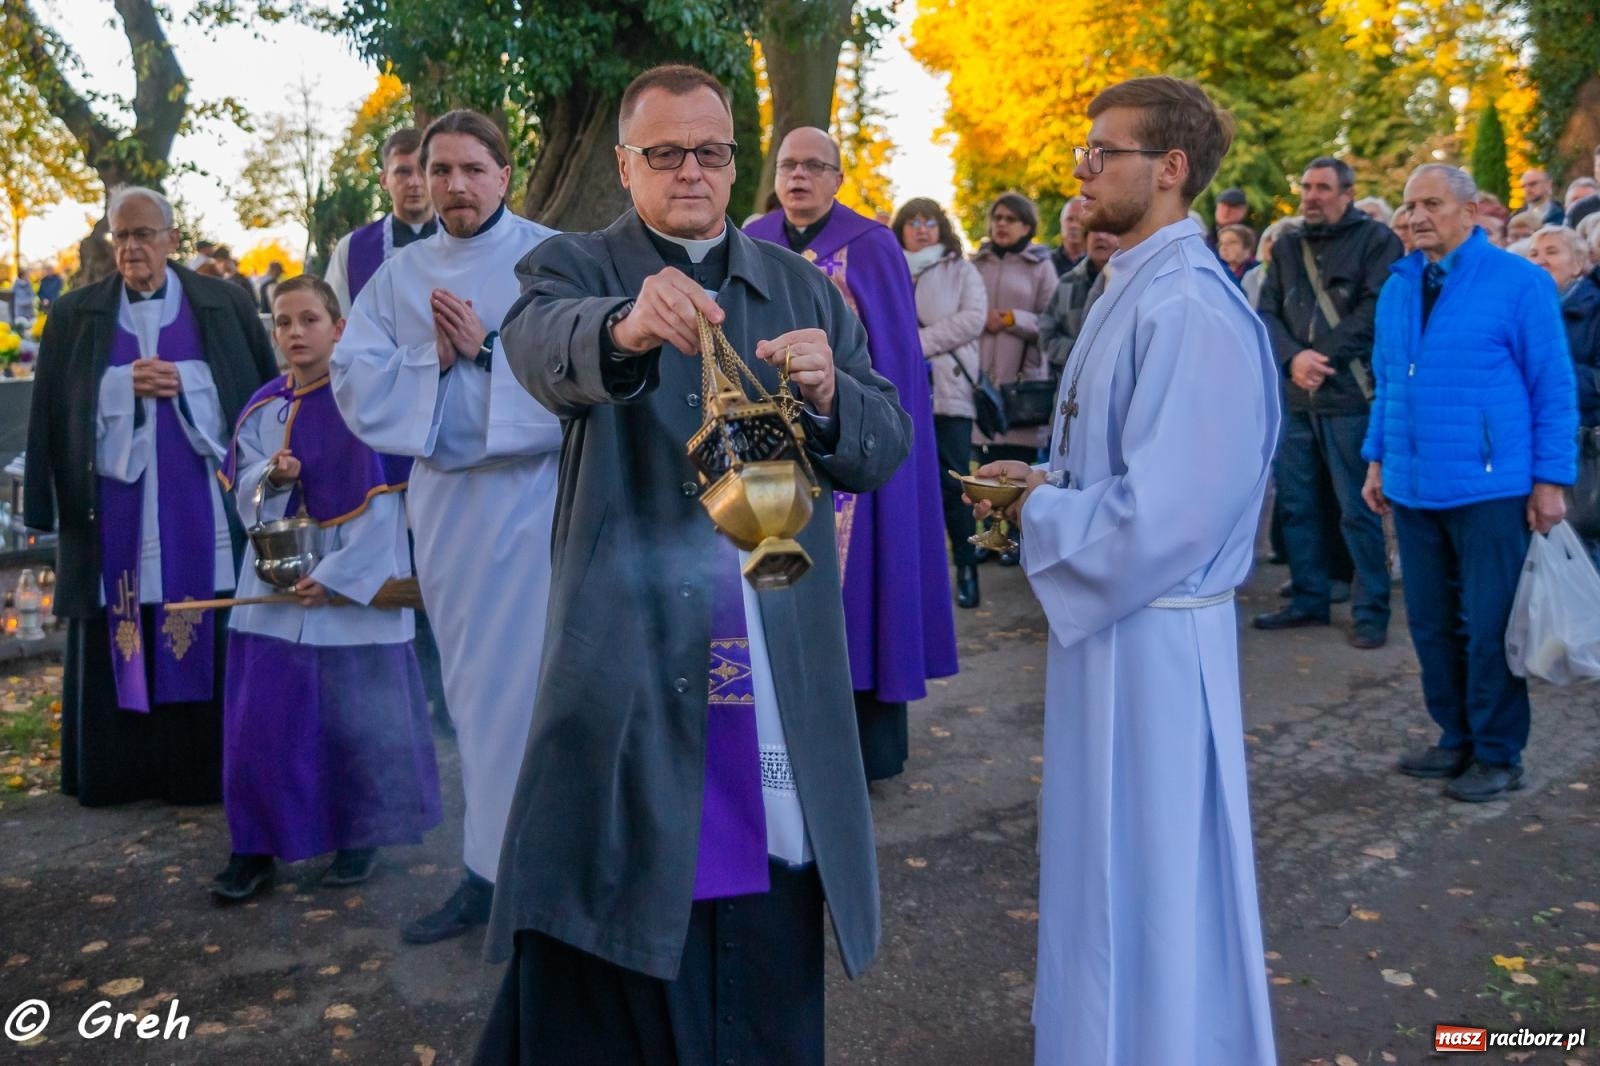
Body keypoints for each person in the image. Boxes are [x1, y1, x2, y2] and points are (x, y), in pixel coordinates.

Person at [480, 64, 911, 1065]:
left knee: (765, 907)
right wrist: (626, 326)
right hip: (631, 650)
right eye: (664, 153)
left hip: (774, 638)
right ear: (625, 164)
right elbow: (539, 347)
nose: (689, 171)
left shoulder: (801, 284)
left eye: (709, 153)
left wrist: (832, 397)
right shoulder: (574, 266)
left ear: (735, 165)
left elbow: (884, 441)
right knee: (620, 899)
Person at [971, 75, 1277, 1065]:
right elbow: (1133, 462)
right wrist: (1048, 475)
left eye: (1104, 151)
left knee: (1151, 870)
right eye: (1084, 150)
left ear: (1171, 170)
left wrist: (1040, 510)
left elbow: (1173, 509)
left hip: (1157, 638)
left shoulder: (1187, 304)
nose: (1082, 167)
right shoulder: (1131, 282)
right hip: (1118, 628)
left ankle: (1164, 1043)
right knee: (1101, 863)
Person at [330, 110, 560, 943]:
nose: (455, 185)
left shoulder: (551, 258)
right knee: (466, 693)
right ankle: (484, 870)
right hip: (449, 505)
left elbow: (588, 376)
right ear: (418, 179)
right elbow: (352, 378)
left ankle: (534, 877)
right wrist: (436, 355)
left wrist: (493, 347)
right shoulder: (397, 275)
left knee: (530, 692)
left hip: (535, 501)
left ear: (504, 174)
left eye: (472, 168)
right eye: (440, 170)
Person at [25, 186, 278, 807]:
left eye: (144, 235)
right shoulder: (78, 313)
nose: (132, 248)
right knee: (125, 617)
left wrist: (189, 382)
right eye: (121, 236)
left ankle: (204, 770)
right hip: (117, 511)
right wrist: (119, 388)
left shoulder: (221, 303)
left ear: (172, 238)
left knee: (207, 613)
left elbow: (257, 394)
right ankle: (120, 774)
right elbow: (55, 409)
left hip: (200, 500)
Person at [211, 275, 440, 901]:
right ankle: (253, 849)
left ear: (338, 329)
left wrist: (337, 582)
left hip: (352, 595)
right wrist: (272, 477)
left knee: (353, 726)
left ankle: (358, 839)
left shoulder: (364, 404)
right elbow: (247, 504)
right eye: (283, 323)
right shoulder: (263, 408)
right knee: (263, 724)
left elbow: (384, 511)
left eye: (309, 320)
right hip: (274, 596)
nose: (295, 334)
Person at [747, 127, 957, 783]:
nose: (800, 176)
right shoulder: (751, 238)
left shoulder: (871, 245)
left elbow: (895, 365)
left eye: (815, 166)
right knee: (769, 588)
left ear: (839, 179)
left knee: (861, 596)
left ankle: (865, 754)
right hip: (770, 446)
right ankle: (776, 752)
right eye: (789, 165)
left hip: (849, 449)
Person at [1363, 164, 1576, 802]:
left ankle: (1498, 753)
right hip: (1413, 484)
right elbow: (1389, 385)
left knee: (1489, 626)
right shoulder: (1399, 286)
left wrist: (1549, 481)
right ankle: (1454, 737)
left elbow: (1553, 387)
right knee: (1430, 624)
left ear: (1470, 212)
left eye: (1430, 203)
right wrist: (1378, 459)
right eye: (1408, 205)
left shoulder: (1518, 282)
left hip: (1490, 487)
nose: (1415, 216)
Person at [1253, 156, 1403, 649]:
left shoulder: (1377, 241)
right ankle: (1308, 599)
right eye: (1307, 188)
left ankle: (1371, 610)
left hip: (1350, 396)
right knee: (1298, 506)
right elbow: (1266, 312)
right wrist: (1295, 359)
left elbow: (1376, 310)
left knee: (1357, 510)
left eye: (1322, 188)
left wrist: (1321, 357)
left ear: (1347, 193)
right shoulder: (1289, 246)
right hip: (1297, 397)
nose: (1311, 196)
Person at [893, 196, 987, 609]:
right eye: (912, 221)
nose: (921, 227)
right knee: (905, 485)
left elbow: (973, 318)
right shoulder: (890, 268)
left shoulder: (960, 269)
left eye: (929, 220)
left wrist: (917, 343)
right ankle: (915, 578)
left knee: (954, 486)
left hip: (948, 392)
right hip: (898, 390)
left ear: (942, 227)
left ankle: (967, 568)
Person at [970, 191, 1057, 565]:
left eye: (1010, 218)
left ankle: (1016, 535)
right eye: (997, 218)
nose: (1001, 224)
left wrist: (1011, 319)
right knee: (986, 467)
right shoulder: (976, 263)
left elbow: (1050, 322)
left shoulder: (1040, 266)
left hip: (1021, 383)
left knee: (1016, 464)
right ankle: (989, 535)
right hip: (980, 381)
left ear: (1026, 225)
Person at [326, 128, 438, 315]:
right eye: (403, 172)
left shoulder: (461, 242)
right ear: (385, 180)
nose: (414, 182)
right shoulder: (351, 249)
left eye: (423, 170)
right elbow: (336, 326)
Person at [1529, 224, 1600, 432]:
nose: (1540, 261)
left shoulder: (1596, 309)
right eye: (1533, 254)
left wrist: (1543, 371)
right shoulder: (1517, 312)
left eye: (1552, 252)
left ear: (1578, 264)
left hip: (1583, 442)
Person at [1039, 228, 1117, 371]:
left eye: (1108, 230)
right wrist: (1076, 352)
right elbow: (1046, 334)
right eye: (1094, 230)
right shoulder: (1067, 283)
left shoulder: (1130, 283)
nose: (1100, 236)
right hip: (1071, 384)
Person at [1242, 217, 1301, 309]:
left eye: (1278, 239)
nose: (1271, 245)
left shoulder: (1301, 274)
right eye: (1268, 239)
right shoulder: (1251, 276)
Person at [1051, 196, 1086, 275]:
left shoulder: (1098, 263)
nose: (1074, 225)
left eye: (1080, 220)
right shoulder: (1048, 263)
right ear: (1061, 222)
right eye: (1069, 219)